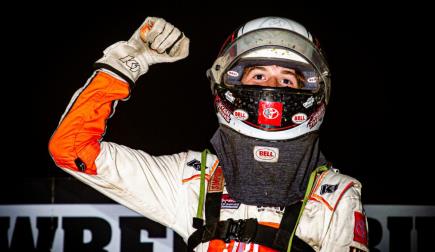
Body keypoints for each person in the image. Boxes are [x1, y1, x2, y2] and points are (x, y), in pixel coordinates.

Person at [49, 16, 369, 252]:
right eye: (258, 75)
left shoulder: (336, 193)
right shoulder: (191, 178)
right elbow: (72, 148)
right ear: (227, 83)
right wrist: (130, 60)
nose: (271, 88)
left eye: (287, 80)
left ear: (315, 90)